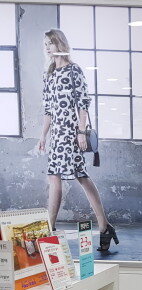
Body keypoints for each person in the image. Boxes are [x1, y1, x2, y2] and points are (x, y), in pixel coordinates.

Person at [37, 29, 118, 252]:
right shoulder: (49, 74)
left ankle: (53, 229)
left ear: (60, 44)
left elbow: (83, 104)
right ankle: (102, 227)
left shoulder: (74, 70)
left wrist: (81, 132)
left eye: (50, 43)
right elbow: (48, 110)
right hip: (56, 135)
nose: (47, 47)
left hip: (71, 132)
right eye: (45, 44)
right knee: (60, 176)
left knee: (78, 176)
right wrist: (43, 136)